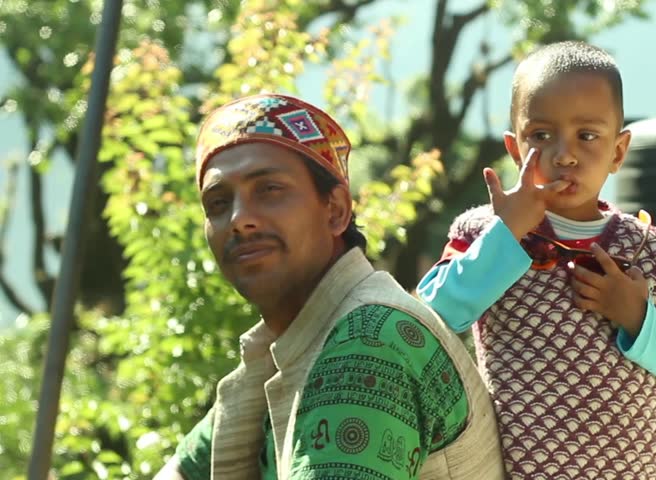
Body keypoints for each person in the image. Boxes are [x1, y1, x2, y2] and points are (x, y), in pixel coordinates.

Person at [154, 93, 504, 479]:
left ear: (335, 210)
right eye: (218, 204)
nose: (239, 219)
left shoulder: (367, 340)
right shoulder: (285, 345)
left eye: (269, 189)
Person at [416, 41, 656, 479]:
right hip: (513, 468)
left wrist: (635, 314)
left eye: (587, 136)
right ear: (515, 150)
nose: (564, 154)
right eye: (541, 136)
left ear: (618, 151)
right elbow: (430, 317)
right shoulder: (484, 232)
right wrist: (506, 234)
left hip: (628, 469)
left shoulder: (648, 253)